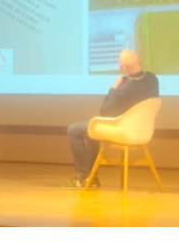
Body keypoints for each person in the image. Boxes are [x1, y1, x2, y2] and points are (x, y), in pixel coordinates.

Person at [61, 49, 159, 190]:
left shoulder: (123, 88)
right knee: (92, 129)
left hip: (123, 131)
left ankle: (84, 177)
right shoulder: (152, 79)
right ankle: (90, 177)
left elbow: (104, 111)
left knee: (74, 129)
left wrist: (114, 87)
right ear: (139, 62)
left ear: (121, 68)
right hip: (143, 131)